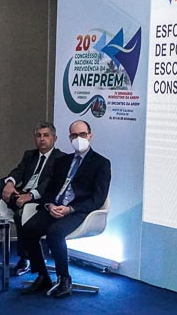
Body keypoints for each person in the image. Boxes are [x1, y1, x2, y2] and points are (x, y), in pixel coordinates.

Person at [19, 120, 110, 298]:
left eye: (82, 134)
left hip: (78, 211)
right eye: (74, 135)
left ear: (90, 136)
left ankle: (64, 279)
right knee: (28, 229)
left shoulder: (101, 163)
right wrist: (50, 205)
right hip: (55, 207)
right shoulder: (62, 161)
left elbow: (98, 198)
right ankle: (42, 276)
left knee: (54, 233)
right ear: (69, 138)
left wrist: (70, 209)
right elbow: (49, 191)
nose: (78, 138)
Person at [0, 122, 64, 275]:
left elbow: (50, 182)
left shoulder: (61, 158)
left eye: (46, 135)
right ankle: (18, 203)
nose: (42, 139)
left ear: (55, 138)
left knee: (20, 214)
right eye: (38, 136)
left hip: (41, 198)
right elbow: (19, 171)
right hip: (21, 193)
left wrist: (30, 195)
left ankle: (25, 258)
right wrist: (10, 183)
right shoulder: (29, 155)